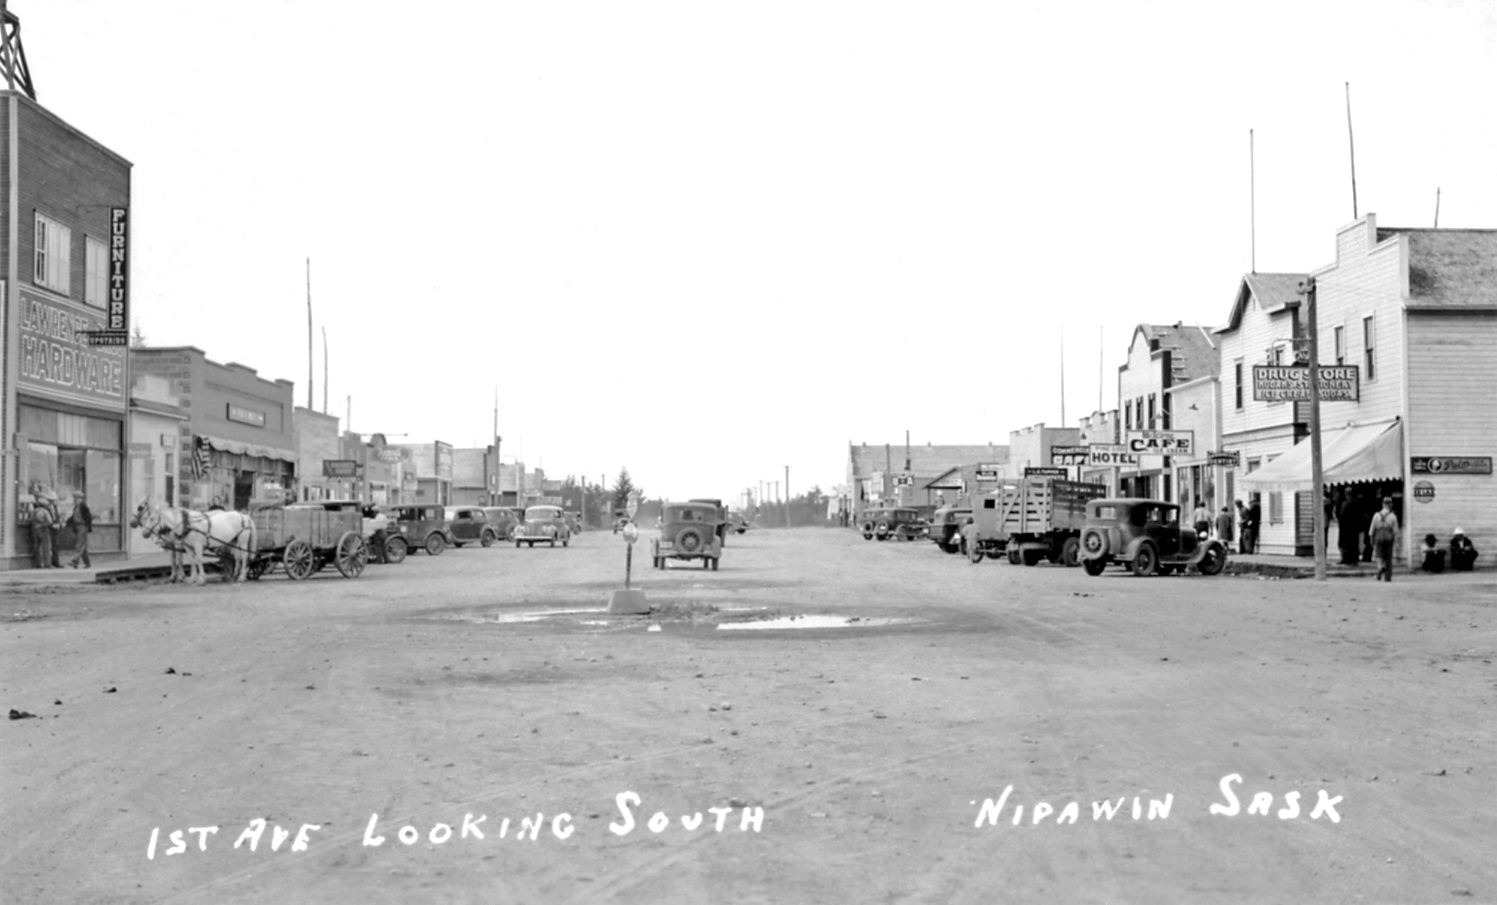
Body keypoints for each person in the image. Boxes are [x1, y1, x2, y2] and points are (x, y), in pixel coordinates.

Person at [1368, 496, 1400, 581]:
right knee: (1388, 557)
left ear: (1383, 504)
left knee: (1379, 555)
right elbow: (1396, 530)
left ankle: (1380, 568)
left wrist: (1371, 538)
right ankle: (1387, 577)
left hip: (1379, 537)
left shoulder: (1376, 515)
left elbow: (1372, 528)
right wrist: (1397, 541)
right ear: (1390, 505)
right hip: (1389, 537)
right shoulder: (1393, 516)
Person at [67, 490, 93, 569]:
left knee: (79, 544)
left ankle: (75, 561)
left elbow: (89, 517)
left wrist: (88, 527)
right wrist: (68, 522)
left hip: (82, 526)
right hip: (78, 526)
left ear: (78, 498)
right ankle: (87, 563)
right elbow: (73, 516)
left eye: (75, 498)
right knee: (82, 546)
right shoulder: (77, 506)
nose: (74, 499)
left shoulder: (83, 506)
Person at [29, 492, 55, 569]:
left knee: (37, 547)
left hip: (35, 530)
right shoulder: (45, 512)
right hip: (44, 530)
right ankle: (47, 564)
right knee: (46, 547)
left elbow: (31, 519)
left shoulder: (34, 511)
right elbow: (50, 521)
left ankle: (38, 563)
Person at [43, 491, 63, 568]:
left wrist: (59, 523)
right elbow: (48, 518)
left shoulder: (55, 507)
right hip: (50, 527)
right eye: (51, 500)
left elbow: (57, 516)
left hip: (55, 527)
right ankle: (51, 562)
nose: (53, 501)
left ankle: (55, 561)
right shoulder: (47, 508)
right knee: (50, 545)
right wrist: (53, 524)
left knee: (55, 545)